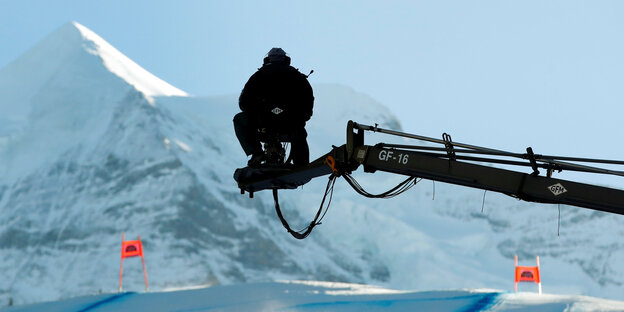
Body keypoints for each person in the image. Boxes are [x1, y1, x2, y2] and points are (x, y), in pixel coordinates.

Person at [234, 48, 314, 167]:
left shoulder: (257, 76)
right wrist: (303, 117)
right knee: (299, 134)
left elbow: (244, 102)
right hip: (291, 122)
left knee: (239, 120)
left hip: (263, 121)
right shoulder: (297, 76)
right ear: (286, 59)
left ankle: (257, 153)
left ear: (268, 59)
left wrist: (257, 112)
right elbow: (308, 99)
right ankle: (301, 164)